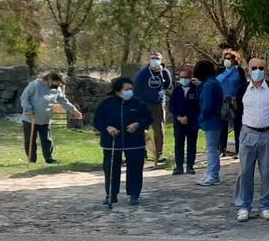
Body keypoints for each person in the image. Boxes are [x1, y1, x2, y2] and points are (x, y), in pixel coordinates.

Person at [233, 57, 269, 222]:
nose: (257, 71)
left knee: (268, 172)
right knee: (245, 172)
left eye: (261, 67)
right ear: (249, 70)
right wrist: (239, 138)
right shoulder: (242, 89)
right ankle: (244, 205)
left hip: (268, 134)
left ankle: (267, 205)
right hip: (248, 133)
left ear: (265, 69)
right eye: (254, 68)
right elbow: (238, 114)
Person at [93, 77, 153, 206]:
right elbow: (97, 121)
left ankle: (134, 194)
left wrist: (137, 124)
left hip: (134, 142)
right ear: (117, 91)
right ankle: (111, 194)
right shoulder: (106, 104)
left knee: (135, 168)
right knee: (111, 168)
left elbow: (148, 118)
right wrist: (108, 127)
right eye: (127, 89)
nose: (130, 92)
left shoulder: (138, 103)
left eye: (131, 89)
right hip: (113, 142)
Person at [19, 71, 84, 164]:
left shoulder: (57, 89)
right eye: (56, 83)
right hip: (30, 119)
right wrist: (28, 108)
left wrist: (74, 111)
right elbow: (24, 97)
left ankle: (49, 158)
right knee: (30, 140)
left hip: (45, 119)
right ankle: (32, 160)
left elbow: (64, 102)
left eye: (59, 84)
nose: (57, 85)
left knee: (47, 140)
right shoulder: (34, 85)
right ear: (49, 79)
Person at [133, 51, 172, 165]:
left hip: (158, 105)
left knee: (159, 130)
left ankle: (158, 155)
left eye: (157, 58)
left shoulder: (164, 72)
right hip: (144, 105)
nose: (155, 60)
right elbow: (136, 88)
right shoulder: (143, 73)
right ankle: (141, 153)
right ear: (149, 60)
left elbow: (167, 84)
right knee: (141, 130)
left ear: (161, 60)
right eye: (153, 58)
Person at [193, 60, 224, 186]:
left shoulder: (208, 85)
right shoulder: (213, 82)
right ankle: (212, 172)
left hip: (211, 120)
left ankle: (213, 175)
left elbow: (207, 106)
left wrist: (201, 118)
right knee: (212, 148)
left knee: (211, 149)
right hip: (215, 119)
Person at [168, 67, 200, 176]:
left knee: (192, 144)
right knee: (179, 144)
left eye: (186, 77)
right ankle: (179, 166)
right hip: (179, 122)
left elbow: (197, 106)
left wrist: (188, 117)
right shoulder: (176, 90)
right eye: (182, 77)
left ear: (190, 78)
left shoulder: (196, 89)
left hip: (192, 122)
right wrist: (179, 117)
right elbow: (172, 106)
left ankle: (190, 166)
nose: (184, 79)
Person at [217, 49, 244, 157]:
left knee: (237, 126)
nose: (226, 60)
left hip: (235, 101)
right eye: (225, 58)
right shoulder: (220, 71)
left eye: (229, 58)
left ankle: (238, 150)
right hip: (222, 100)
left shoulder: (239, 71)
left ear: (234, 60)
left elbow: (243, 85)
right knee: (222, 126)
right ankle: (221, 149)